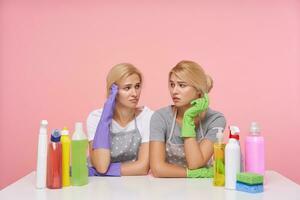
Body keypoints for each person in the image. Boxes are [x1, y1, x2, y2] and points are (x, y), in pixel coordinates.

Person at [149, 60, 226, 178]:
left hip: (202, 189)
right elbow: (158, 169)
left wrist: (188, 118)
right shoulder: (160, 117)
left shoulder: (216, 120)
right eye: (172, 84)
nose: (174, 91)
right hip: (168, 187)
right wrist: (192, 174)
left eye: (182, 85)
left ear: (199, 91)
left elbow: (195, 163)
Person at [87, 63, 153, 176]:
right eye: (127, 88)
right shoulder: (96, 118)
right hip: (100, 187)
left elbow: (143, 167)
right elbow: (101, 165)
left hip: (134, 185)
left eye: (137, 86)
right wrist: (106, 114)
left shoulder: (147, 117)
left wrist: (101, 172)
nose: (135, 93)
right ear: (113, 91)